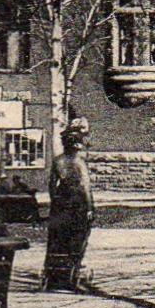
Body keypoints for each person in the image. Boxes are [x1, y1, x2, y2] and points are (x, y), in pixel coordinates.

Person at [43, 117, 95, 292]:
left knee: (57, 241)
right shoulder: (79, 163)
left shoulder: (58, 161)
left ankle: (53, 278)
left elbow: (51, 184)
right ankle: (72, 278)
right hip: (77, 203)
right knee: (77, 240)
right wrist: (89, 207)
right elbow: (85, 186)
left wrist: (55, 200)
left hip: (60, 203)